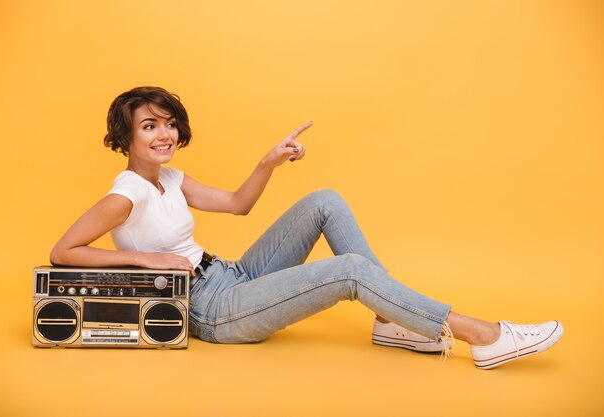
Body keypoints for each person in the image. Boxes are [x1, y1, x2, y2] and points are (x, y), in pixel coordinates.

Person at [50, 86, 563, 369]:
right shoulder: (127, 192)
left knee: (325, 200)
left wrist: (268, 162)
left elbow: (236, 204)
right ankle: (483, 336)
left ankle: (393, 323)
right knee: (349, 271)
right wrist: (148, 259)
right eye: (149, 126)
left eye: (168, 123)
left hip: (230, 276)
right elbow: (64, 252)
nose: (165, 133)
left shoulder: (171, 178)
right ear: (126, 138)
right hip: (210, 310)